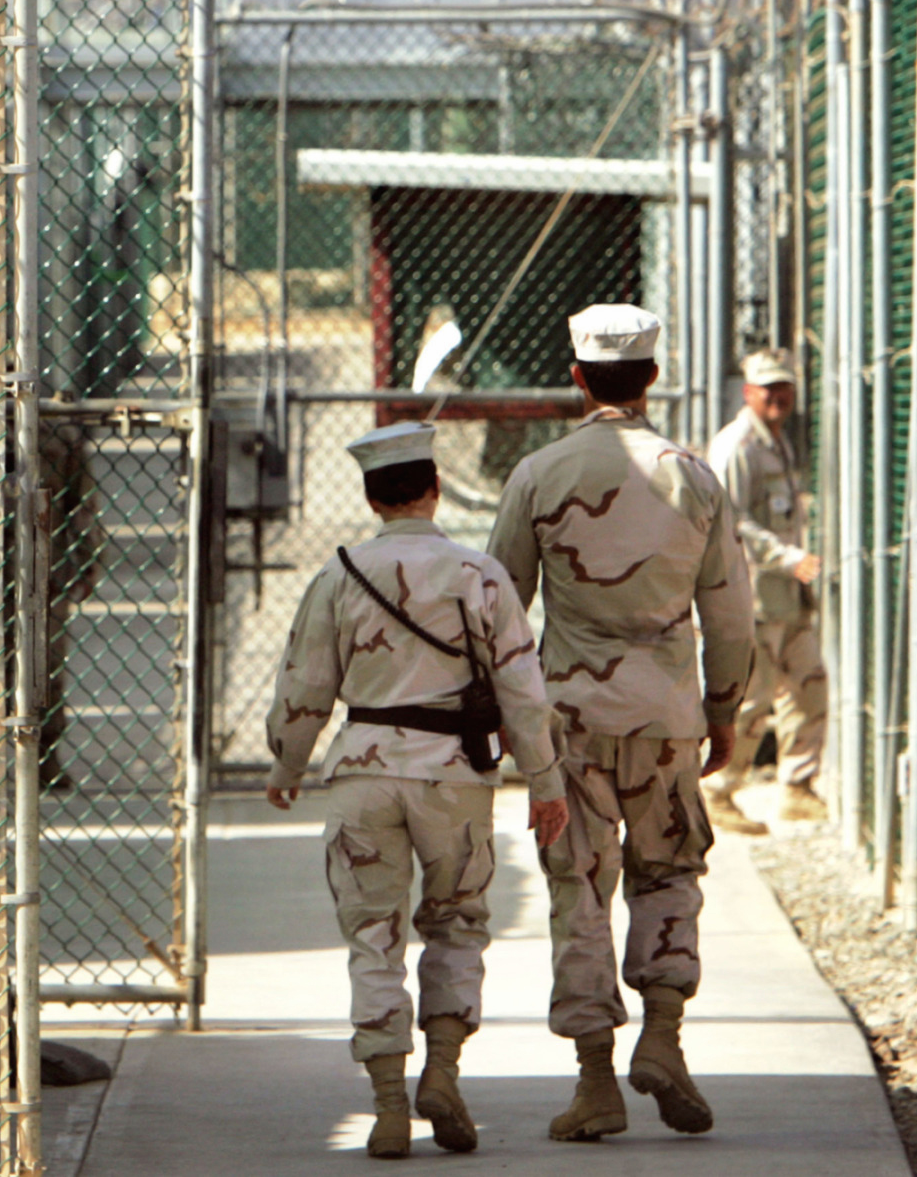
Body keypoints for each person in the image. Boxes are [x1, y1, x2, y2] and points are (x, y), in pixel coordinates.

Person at [265, 420, 570, 1160]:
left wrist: (287, 765)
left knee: (373, 936)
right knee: (457, 922)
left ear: (372, 498)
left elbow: (304, 686)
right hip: (453, 777)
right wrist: (544, 780)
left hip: (364, 774)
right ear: (432, 489)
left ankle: (386, 1106)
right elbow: (523, 692)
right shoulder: (481, 575)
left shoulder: (337, 574)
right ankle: (442, 1070)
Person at [487, 305, 753, 1143]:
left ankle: (596, 1080)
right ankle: (664, 1037)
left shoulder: (538, 473)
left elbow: (498, 608)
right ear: (652, 375)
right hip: (667, 712)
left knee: (579, 885)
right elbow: (732, 614)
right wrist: (724, 708)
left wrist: (508, 724)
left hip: (568, 719)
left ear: (575, 376)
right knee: (669, 871)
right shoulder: (692, 474)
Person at [702, 349, 829, 832]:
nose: (778, 397)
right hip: (754, 595)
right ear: (748, 392)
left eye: (785, 388)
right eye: (768, 389)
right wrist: (788, 557)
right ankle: (718, 790)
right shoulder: (738, 447)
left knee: (809, 683)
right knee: (753, 699)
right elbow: (732, 520)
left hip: (785, 597)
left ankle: (797, 786)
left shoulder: (775, 440)